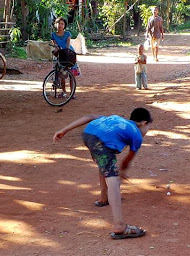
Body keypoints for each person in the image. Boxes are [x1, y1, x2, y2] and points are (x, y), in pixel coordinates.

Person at [53, 108, 152, 239]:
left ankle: (103, 198)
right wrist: (121, 172)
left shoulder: (117, 118)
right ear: (144, 123)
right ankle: (120, 226)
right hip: (100, 142)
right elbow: (127, 160)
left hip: (88, 134)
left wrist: (64, 130)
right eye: (149, 126)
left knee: (104, 162)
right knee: (113, 180)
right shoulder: (137, 135)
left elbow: (89, 116)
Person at [51, 17, 80, 98]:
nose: (60, 25)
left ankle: (72, 93)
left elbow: (67, 44)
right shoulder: (53, 35)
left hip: (69, 54)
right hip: (61, 54)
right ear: (55, 24)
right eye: (58, 23)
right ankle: (63, 92)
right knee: (62, 75)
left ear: (64, 26)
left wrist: (66, 51)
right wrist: (55, 51)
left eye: (62, 24)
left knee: (71, 75)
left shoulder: (68, 34)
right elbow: (56, 45)